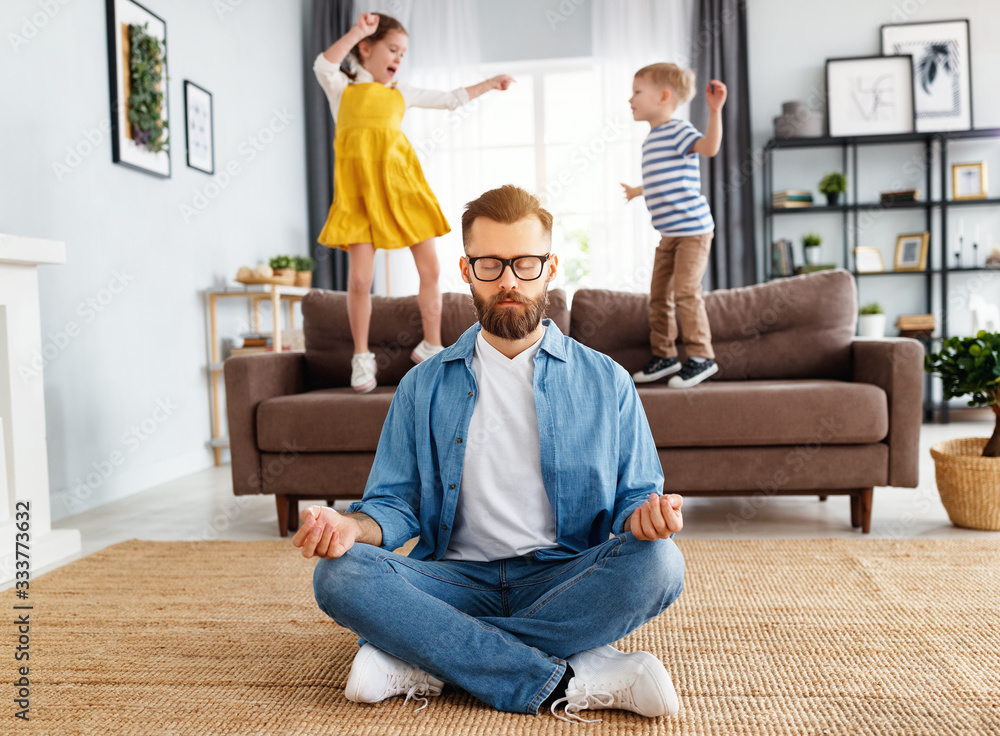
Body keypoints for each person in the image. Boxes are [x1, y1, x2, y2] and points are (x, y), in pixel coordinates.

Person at [293, 185, 686, 723]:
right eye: (490, 264)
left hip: (563, 578)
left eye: (524, 263)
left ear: (549, 268)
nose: (508, 280)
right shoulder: (421, 386)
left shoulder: (607, 381)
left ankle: (427, 660)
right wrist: (348, 528)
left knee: (660, 564)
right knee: (339, 575)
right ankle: (573, 674)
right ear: (465, 269)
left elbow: (637, 495)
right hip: (452, 582)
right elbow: (393, 505)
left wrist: (646, 517)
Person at [313, 12, 513, 392]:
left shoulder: (400, 92)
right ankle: (361, 356)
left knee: (432, 269)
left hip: (404, 190)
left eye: (403, 53)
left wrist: (490, 83)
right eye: (392, 49)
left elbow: (451, 99)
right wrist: (358, 30)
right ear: (366, 49)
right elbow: (323, 63)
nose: (398, 59)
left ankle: (431, 344)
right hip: (359, 198)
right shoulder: (340, 88)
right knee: (358, 279)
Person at [621, 63, 727, 389]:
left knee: (685, 292)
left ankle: (701, 357)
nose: (630, 99)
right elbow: (658, 179)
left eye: (637, 92)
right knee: (658, 297)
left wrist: (714, 112)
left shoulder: (679, 130)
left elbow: (709, 148)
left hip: (693, 232)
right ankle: (665, 356)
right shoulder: (651, 139)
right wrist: (637, 191)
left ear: (664, 96)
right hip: (668, 236)